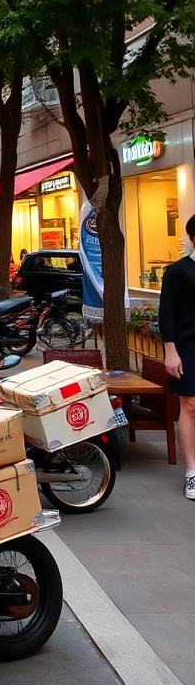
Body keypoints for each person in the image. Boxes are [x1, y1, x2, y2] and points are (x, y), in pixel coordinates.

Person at [159, 214, 195, 500]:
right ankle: (191, 473)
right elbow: (166, 313)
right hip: (187, 347)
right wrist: (170, 351)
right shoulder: (178, 272)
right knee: (191, 406)